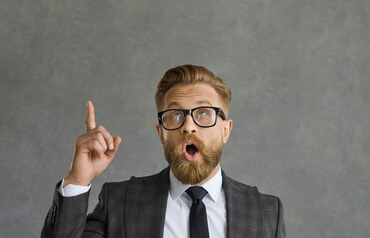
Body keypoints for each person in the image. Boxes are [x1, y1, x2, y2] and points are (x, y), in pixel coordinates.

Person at [41, 64, 286, 238]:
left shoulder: (266, 212)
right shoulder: (120, 202)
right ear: (161, 133)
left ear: (226, 130)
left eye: (203, 113)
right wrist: (78, 181)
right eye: (175, 115)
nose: (188, 126)